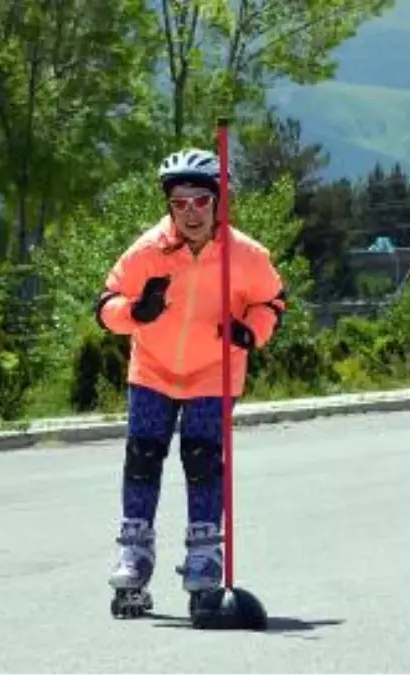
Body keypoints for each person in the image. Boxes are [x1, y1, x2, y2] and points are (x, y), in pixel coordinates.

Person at [96, 148, 287, 608]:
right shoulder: (147, 251)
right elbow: (105, 306)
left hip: (214, 372)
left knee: (202, 461)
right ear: (168, 205)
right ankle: (134, 551)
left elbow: (273, 303)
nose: (190, 213)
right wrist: (134, 312)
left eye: (200, 201)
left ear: (217, 201)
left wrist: (250, 332)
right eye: (179, 203)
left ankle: (204, 555)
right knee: (143, 456)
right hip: (153, 370)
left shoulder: (246, 255)